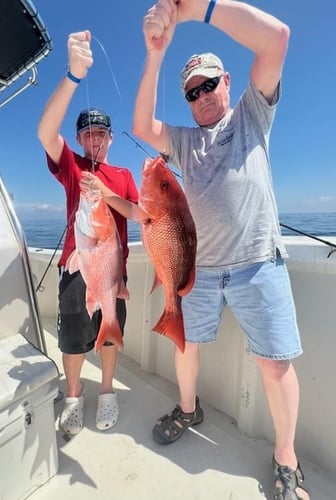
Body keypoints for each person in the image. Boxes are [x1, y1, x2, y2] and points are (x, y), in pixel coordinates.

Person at [133, 1, 309, 499]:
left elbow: (277, 38)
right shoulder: (186, 142)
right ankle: (189, 409)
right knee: (184, 343)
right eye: (193, 91)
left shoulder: (252, 114)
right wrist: (154, 54)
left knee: (274, 363)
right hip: (199, 268)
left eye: (209, 84)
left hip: (258, 263)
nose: (203, 95)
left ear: (227, 82)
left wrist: (198, 8)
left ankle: (286, 457)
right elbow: (144, 127)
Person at [38, 30, 146, 435]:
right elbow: (47, 133)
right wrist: (73, 75)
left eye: (100, 134)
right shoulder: (72, 167)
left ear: (110, 138)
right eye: (87, 134)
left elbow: (138, 214)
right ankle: (73, 394)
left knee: (108, 335)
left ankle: (106, 393)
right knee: (73, 339)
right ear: (81, 139)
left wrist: (106, 195)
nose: (94, 140)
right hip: (76, 266)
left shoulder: (121, 174)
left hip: (111, 269)